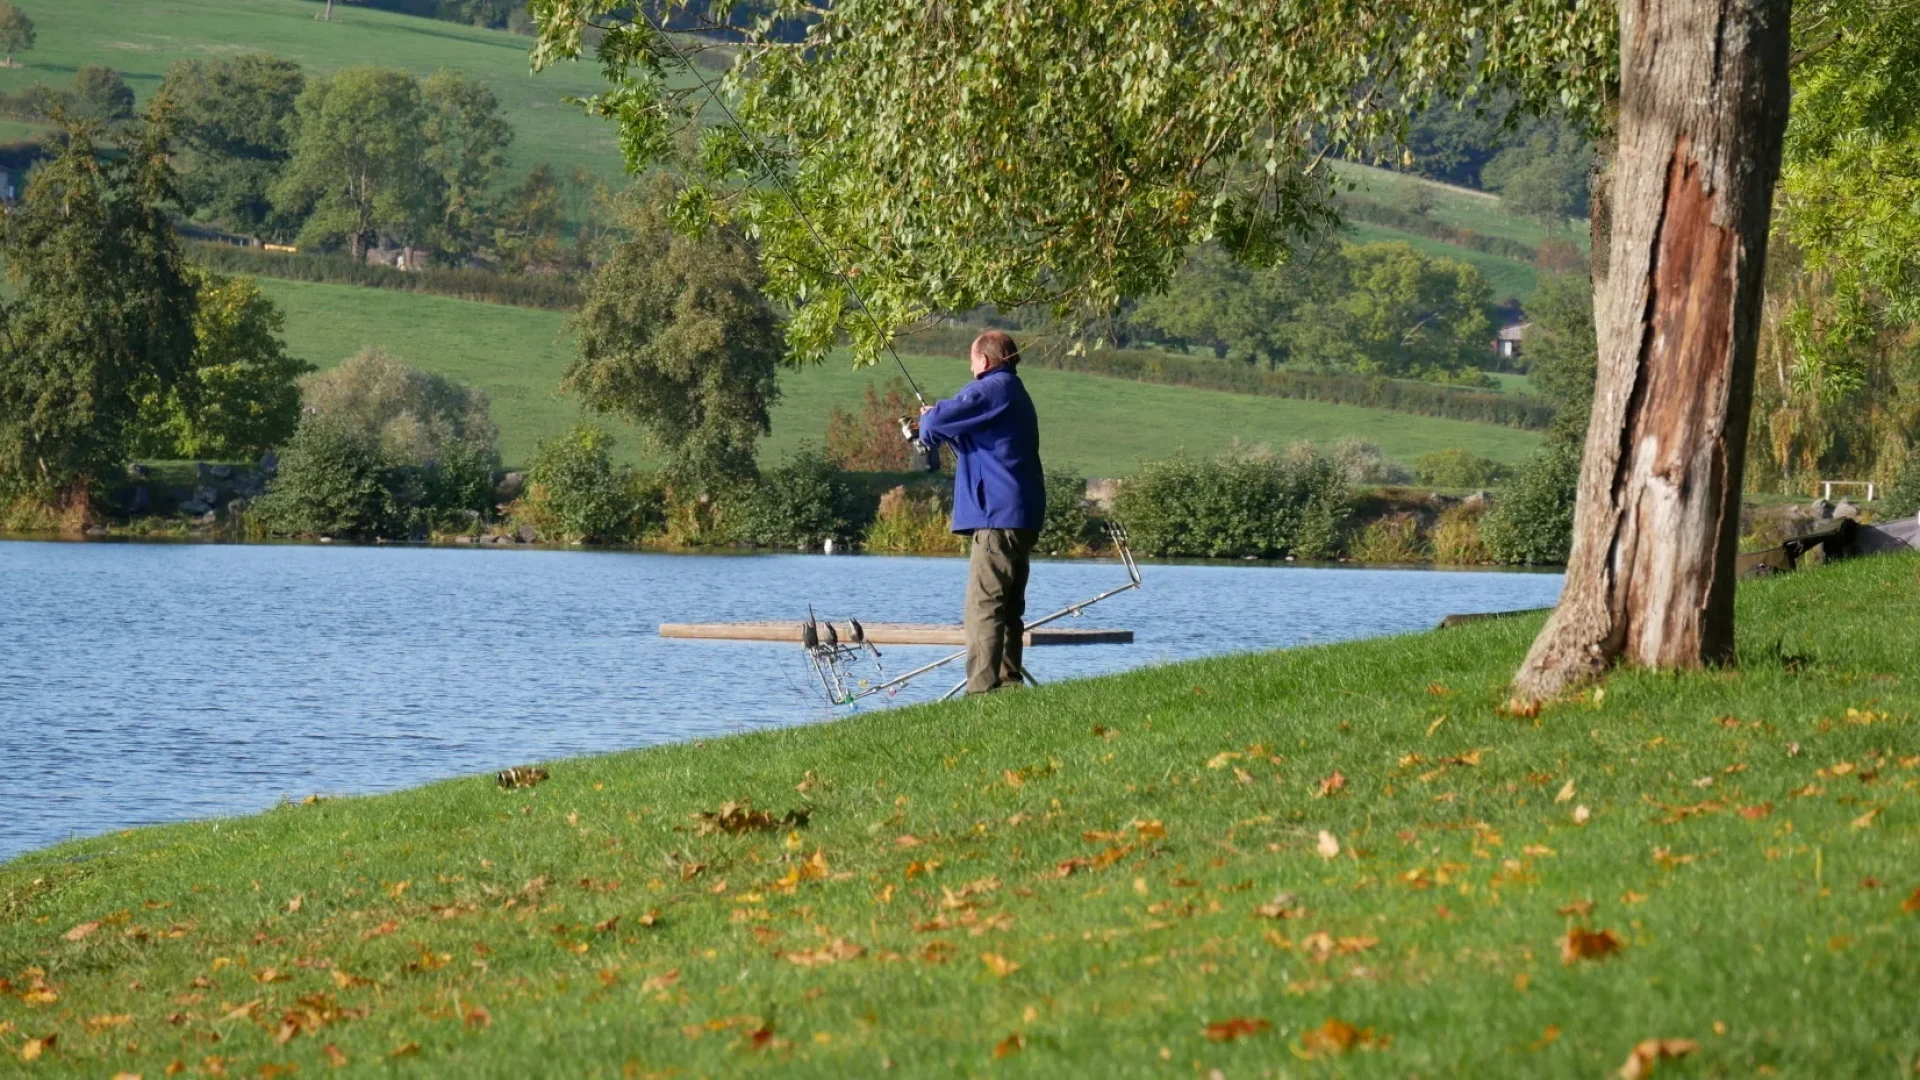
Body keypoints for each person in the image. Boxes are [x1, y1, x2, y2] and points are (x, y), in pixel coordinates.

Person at [917, 330, 1046, 694]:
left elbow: (933, 425)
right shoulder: (1014, 392)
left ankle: (981, 690)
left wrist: (930, 418)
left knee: (984, 606)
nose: (970, 366)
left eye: (972, 359)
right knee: (1008, 607)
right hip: (1021, 513)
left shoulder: (989, 389)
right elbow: (985, 442)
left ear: (985, 361)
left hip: (996, 516)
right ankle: (1008, 683)